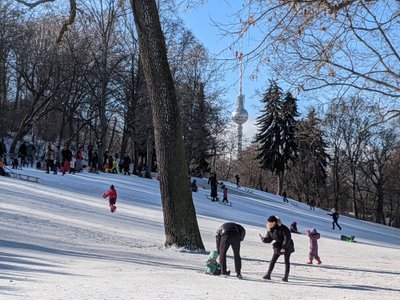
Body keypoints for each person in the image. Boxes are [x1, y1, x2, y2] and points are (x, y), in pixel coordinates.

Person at [260, 215, 295, 282]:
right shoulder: (270, 229)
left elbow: (287, 238)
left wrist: (284, 247)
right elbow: (269, 239)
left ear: (274, 222)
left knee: (286, 261)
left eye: (270, 222)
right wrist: (264, 239)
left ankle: (286, 277)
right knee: (273, 260)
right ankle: (268, 274)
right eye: (268, 222)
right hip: (278, 245)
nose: (268, 223)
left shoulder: (283, 228)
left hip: (288, 245)